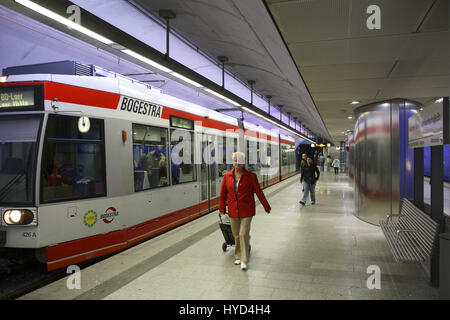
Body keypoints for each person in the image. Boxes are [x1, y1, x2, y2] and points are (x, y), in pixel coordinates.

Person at [219, 152, 271, 271]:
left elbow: (258, 192)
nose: (237, 163)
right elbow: (223, 194)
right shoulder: (227, 176)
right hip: (233, 211)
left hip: (247, 210)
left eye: (239, 161)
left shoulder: (251, 176)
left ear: (243, 163)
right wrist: (222, 208)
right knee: (236, 235)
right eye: (235, 161)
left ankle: (244, 259)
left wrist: (266, 206)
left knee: (243, 234)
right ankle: (237, 256)